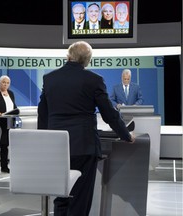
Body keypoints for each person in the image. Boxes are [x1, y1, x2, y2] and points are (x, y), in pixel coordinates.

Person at [37, 41, 135, 216]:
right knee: (80, 199)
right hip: (83, 146)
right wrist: (126, 134)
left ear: (68, 56)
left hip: (57, 147)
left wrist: (45, 142)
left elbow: (43, 113)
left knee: (61, 196)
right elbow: (109, 114)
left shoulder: (49, 78)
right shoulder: (94, 80)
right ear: (87, 61)